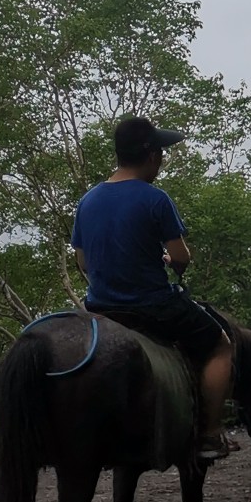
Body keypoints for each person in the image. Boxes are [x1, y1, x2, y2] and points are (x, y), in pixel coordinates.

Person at [72, 114, 234, 459]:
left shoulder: (87, 202)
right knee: (220, 345)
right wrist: (170, 259)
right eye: (161, 153)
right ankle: (210, 433)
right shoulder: (155, 199)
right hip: (152, 306)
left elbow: (84, 263)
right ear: (151, 157)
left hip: (101, 308)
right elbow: (180, 257)